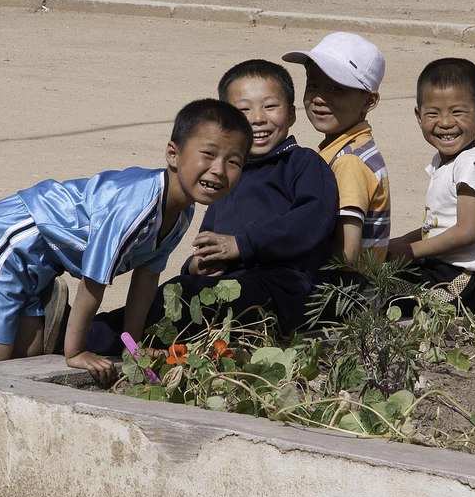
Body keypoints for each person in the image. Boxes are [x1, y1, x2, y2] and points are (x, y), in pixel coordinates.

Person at [0, 99, 251, 480]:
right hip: (13, 238)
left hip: (43, 260)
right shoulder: (137, 203)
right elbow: (94, 281)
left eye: (234, 161)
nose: (218, 171)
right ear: (173, 154)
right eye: (208, 155)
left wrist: (134, 347)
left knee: (23, 362)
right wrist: (75, 352)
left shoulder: (181, 212)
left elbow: (146, 279)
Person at [86, 59, 338, 354]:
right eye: (243, 110)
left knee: (186, 301)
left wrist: (243, 245)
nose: (257, 119)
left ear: (292, 115)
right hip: (225, 286)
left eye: (270, 107)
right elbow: (210, 239)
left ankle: (97, 338)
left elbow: (311, 222)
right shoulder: (229, 175)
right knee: (170, 295)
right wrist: (198, 263)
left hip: (283, 289)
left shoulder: (302, 163)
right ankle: (78, 334)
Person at [388, 58, 475, 313]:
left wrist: (410, 251)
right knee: (377, 280)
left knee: (392, 304)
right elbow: (436, 226)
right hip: (443, 268)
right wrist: (396, 244)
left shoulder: (472, 162)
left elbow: (466, 231)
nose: (445, 122)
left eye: (457, 112)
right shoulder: (448, 162)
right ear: (418, 116)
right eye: (433, 113)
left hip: (465, 279)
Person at [283, 32, 390, 265]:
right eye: (313, 86)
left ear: (369, 101)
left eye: (337, 89)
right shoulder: (348, 148)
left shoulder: (350, 162)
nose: (320, 98)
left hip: (345, 294)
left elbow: (346, 255)